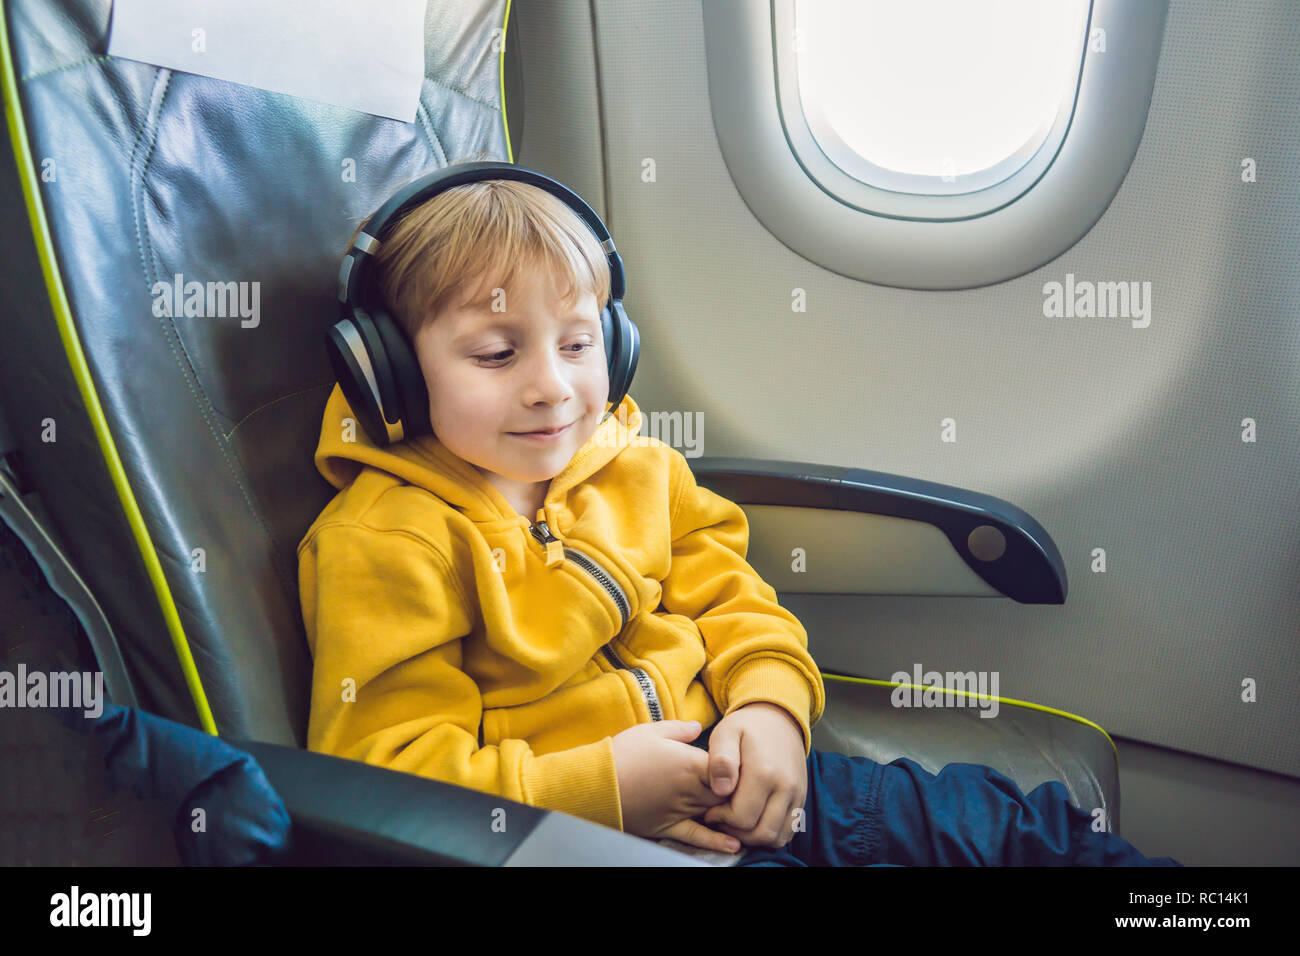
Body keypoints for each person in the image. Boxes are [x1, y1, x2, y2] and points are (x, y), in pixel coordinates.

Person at [298, 163, 1180, 866]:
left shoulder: (634, 464)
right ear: (391, 372)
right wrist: (604, 789)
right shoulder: (386, 542)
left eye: (577, 343)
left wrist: (773, 711)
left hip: (744, 766)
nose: (552, 387)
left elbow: (737, 603)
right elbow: (388, 775)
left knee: (1010, 831)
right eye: (496, 353)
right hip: (583, 840)